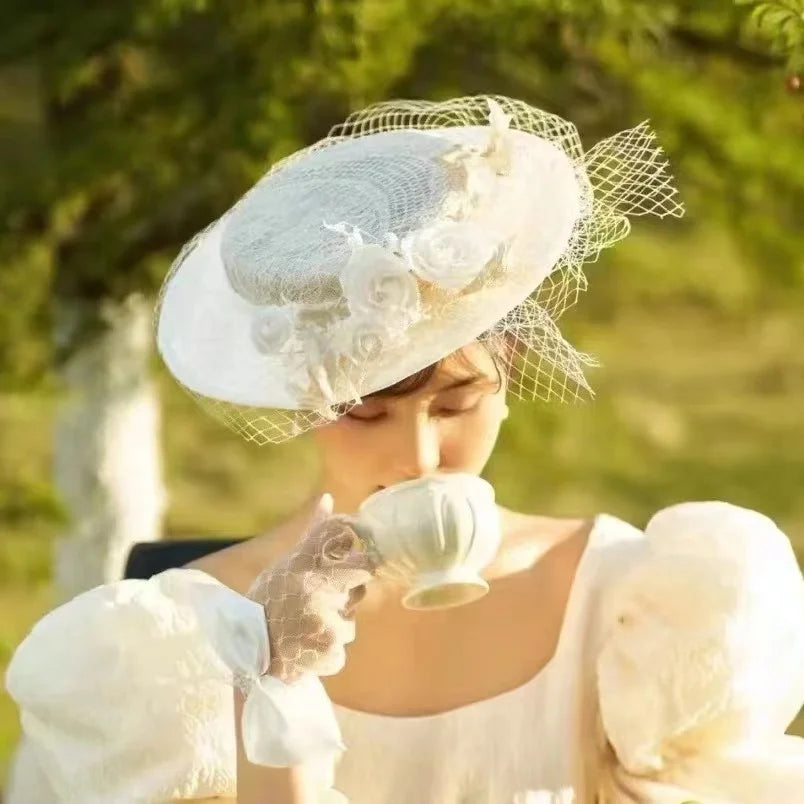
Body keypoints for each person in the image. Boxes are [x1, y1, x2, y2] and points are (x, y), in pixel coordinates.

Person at [5, 95, 804, 804]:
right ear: (304, 403)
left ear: (513, 371)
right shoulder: (170, 647)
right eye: (367, 414)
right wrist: (272, 682)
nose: (422, 455)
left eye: (458, 403)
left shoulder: (632, 606)